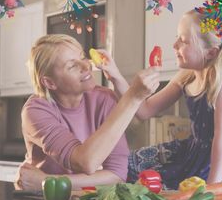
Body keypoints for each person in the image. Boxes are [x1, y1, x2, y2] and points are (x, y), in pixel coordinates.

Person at [99, 10, 222, 190]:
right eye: (177, 37)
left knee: (182, 199)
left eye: (184, 41)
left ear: (211, 52)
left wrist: (213, 189)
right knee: (126, 166)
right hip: (192, 151)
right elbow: (144, 110)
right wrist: (115, 75)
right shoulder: (188, 74)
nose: (174, 44)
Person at [15, 34, 161, 191]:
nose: (86, 66)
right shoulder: (36, 110)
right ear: (49, 82)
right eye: (72, 66)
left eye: (82, 57)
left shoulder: (104, 99)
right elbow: (85, 162)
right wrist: (133, 97)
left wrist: (47, 181)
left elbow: (116, 175)